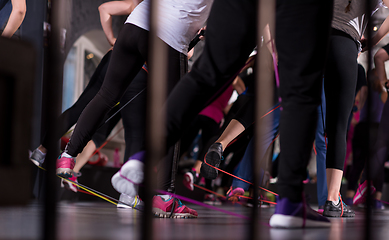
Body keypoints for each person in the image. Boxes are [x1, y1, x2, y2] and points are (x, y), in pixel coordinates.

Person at [57, 0, 213, 218]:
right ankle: (165, 198)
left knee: (106, 95)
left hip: (136, 24)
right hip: (167, 35)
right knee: (174, 114)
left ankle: (67, 156)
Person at [321, 0, 389, 218]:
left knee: (299, 116)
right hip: (344, 44)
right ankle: (332, 199)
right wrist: (373, 40)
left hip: (313, 42)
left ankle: (289, 196)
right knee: (338, 126)